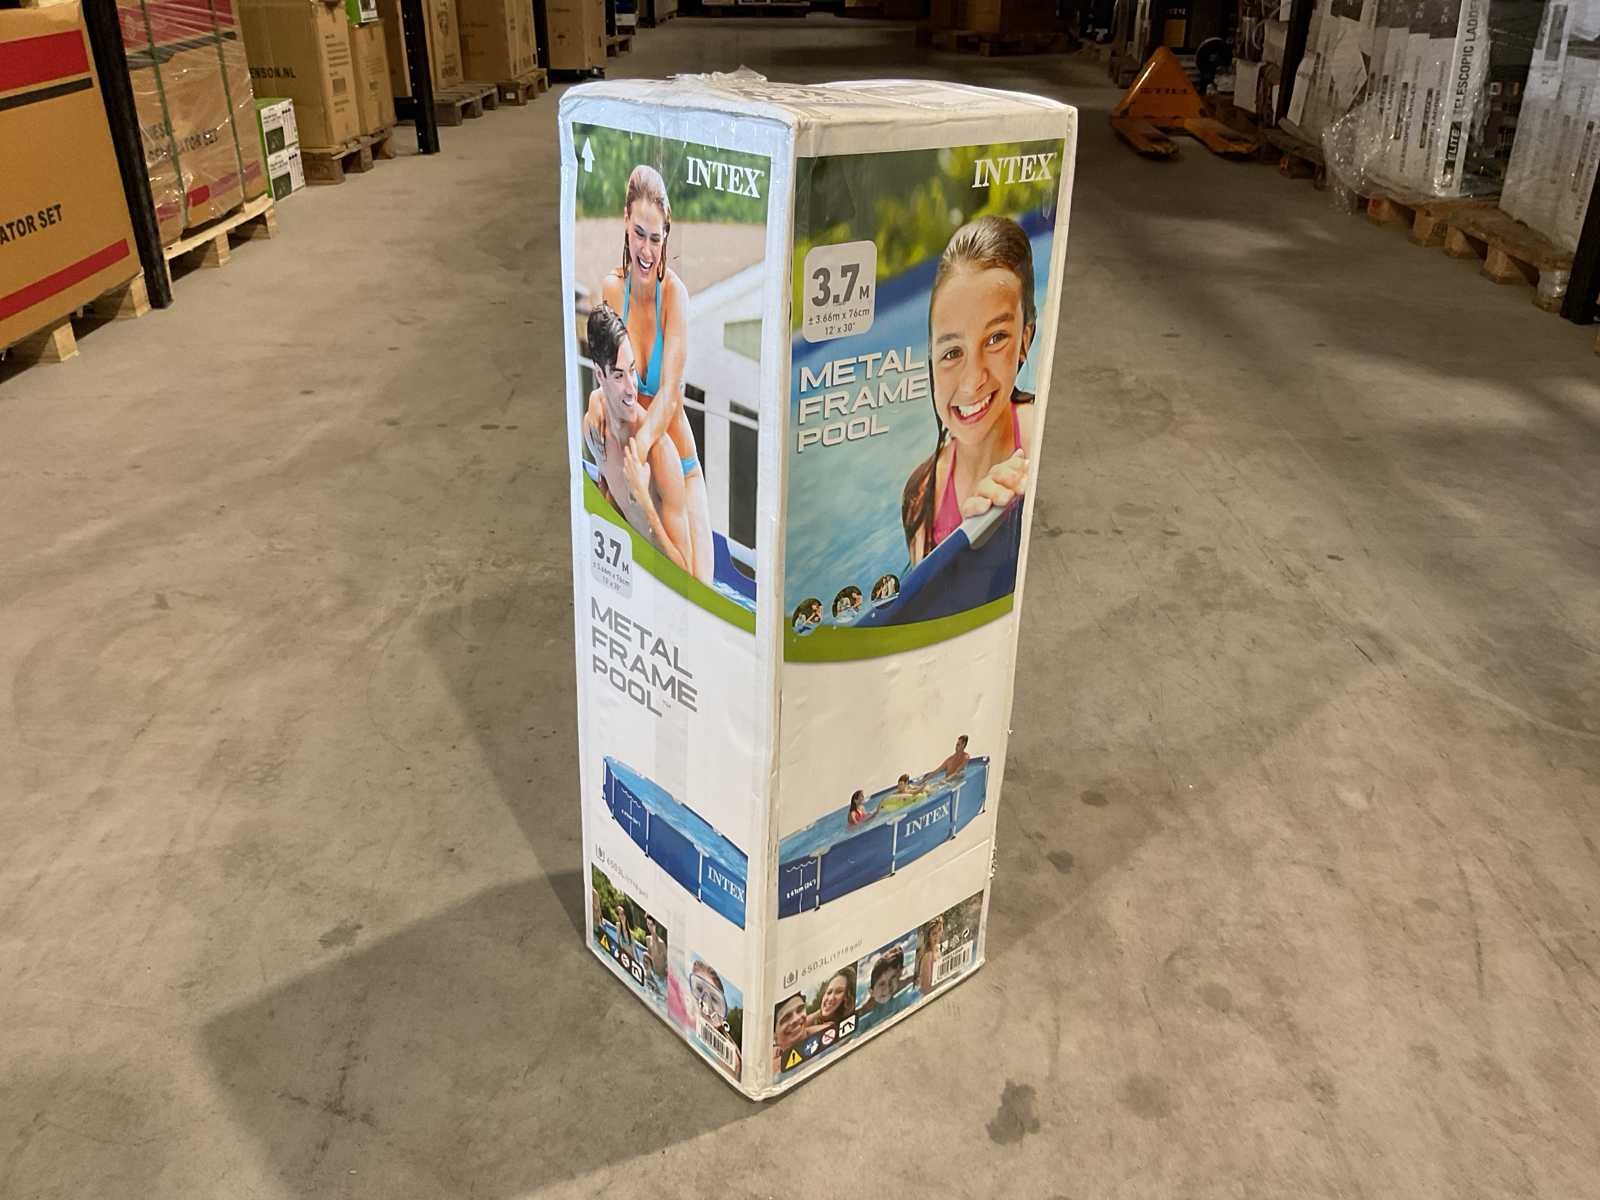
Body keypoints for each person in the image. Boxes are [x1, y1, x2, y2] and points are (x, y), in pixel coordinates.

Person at [593, 164, 714, 583]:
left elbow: (670, 394)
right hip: (636, 460)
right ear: (625, 221)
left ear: (667, 236)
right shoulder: (612, 290)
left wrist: (638, 453)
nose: (646, 250)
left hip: (677, 462)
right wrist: (614, 469)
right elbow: (606, 381)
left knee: (700, 587)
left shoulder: (674, 296)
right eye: (639, 234)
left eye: (656, 239)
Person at [901, 216, 1039, 565]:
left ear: (1024, 341)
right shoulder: (922, 495)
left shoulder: (1043, 440)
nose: (972, 380)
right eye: (952, 353)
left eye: (995, 338)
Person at [583, 304, 697, 575]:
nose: (631, 387)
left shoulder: (661, 455)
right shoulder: (593, 429)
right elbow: (611, 497)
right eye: (619, 375)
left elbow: (685, 576)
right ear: (599, 375)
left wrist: (643, 503)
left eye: (632, 370)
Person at [806, 968, 856, 1037]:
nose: (831, 998)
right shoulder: (821, 1019)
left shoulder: (833, 1026)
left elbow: (800, 1033)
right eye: (829, 992)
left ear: (847, 996)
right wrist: (819, 1012)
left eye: (839, 992)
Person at [772, 993, 810, 1073]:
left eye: (800, 1010)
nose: (796, 1019)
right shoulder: (769, 1069)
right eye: (786, 1017)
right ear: (774, 1036)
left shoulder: (827, 1034)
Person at [917, 915, 946, 993]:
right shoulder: (928, 956)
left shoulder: (938, 948)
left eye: (940, 929)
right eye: (934, 933)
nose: (938, 935)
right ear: (928, 936)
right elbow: (925, 988)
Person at [644, 914, 668, 994]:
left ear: (655, 926)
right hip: (653, 974)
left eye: (651, 925)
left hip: (662, 979)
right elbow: (649, 956)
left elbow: (667, 962)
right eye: (648, 924)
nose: (649, 927)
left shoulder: (661, 943)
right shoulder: (648, 939)